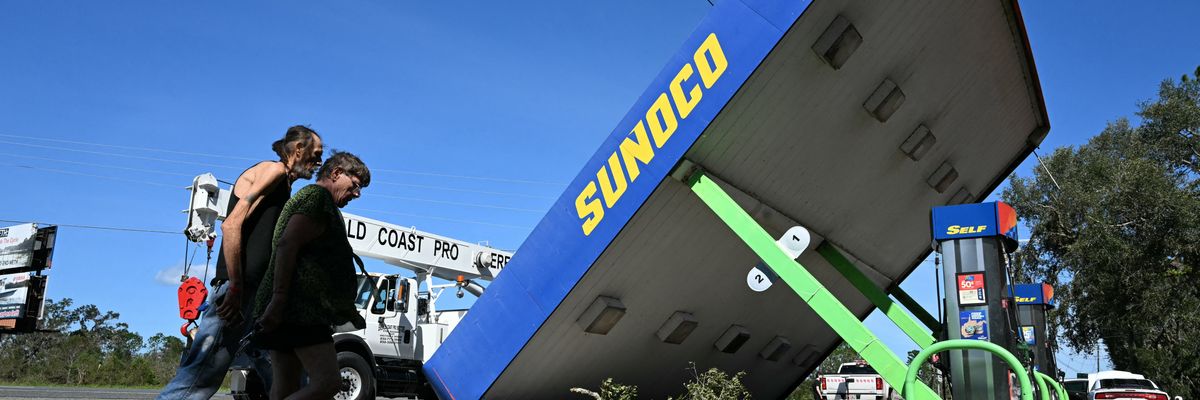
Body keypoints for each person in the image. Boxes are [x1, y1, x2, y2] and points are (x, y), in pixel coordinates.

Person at [158, 126, 324, 400]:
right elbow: (232, 225)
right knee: (198, 378)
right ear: (298, 150)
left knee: (285, 369)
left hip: (256, 299)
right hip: (239, 294)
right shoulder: (274, 171)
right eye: (316, 155)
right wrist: (235, 288)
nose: (318, 162)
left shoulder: (284, 185)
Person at [253, 151, 370, 400]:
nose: (357, 194)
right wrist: (279, 299)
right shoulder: (317, 198)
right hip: (300, 310)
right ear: (337, 173)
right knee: (329, 383)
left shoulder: (314, 200)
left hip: (290, 309)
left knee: (286, 386)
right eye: (355, 185)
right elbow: (288, 244)